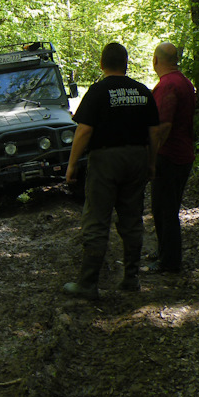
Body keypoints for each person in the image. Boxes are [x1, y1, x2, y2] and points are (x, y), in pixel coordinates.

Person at [64, 42, 160, 299]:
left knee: (97, 218)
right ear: (126, 64)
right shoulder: (143, 91)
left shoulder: (97, 92)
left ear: (102, 64)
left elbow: (84, 130)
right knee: (132, 218)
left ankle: (88, 283)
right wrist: (151, 163)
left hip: (105, 159)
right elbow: (154, 132)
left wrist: (72, 164)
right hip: (137, 157)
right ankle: (131, 278)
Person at [147, 42, 196, 273]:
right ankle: (164, 250)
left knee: (165, 209)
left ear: (156, 60)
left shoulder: (168, 85)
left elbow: (162, 126)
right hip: (183, 153)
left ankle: (170, 261)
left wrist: (151, 157)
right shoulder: (184, 82)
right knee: (164, 207)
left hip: (170, 156)